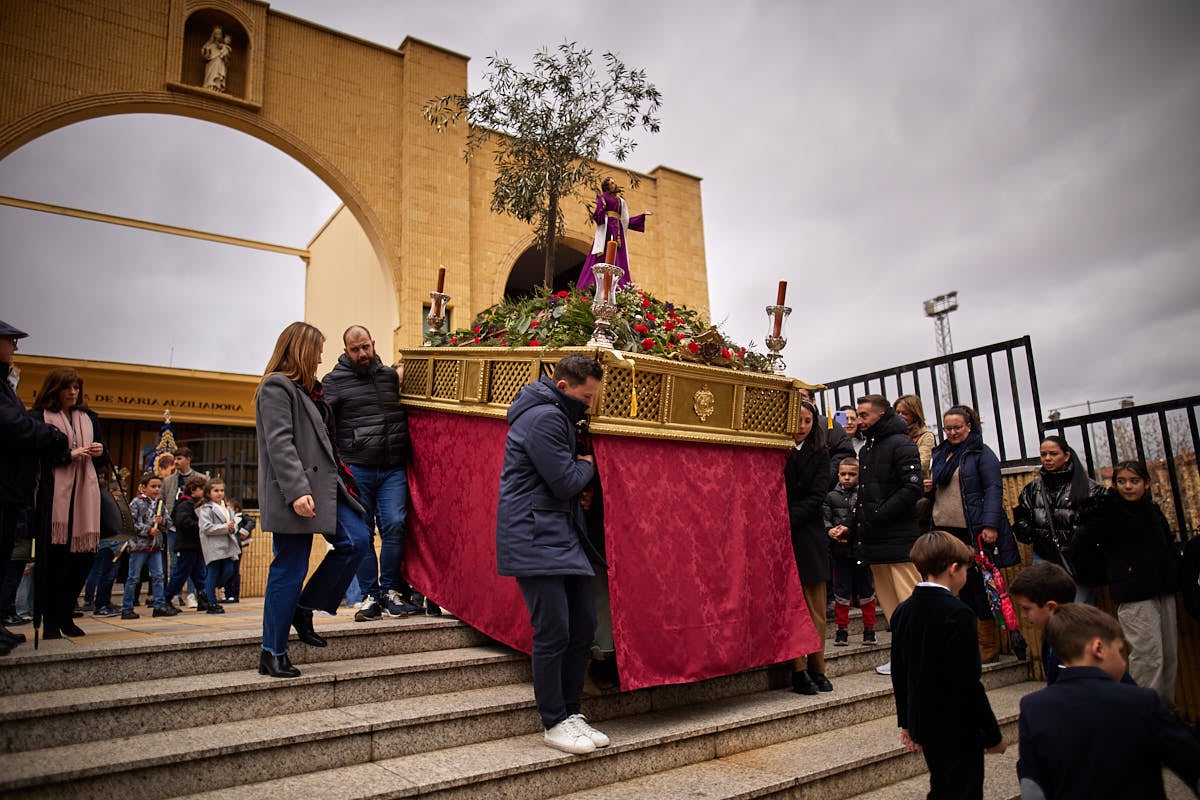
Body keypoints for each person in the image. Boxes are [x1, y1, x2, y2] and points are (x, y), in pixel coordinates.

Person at [495, 354, 610, 755]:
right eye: (586, 397)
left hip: (558, 534)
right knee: (554, 631)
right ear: (563, 388)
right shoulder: (544, 417)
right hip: (535, 534)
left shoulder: (556, 413)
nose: (589, 406)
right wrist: (589, 464)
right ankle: (553, 720)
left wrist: (578, 469)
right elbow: (564, 482)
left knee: (583, 624)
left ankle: (571, 712)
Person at [255, 321, 372, 678]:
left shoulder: (309, 392)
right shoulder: (277, 387)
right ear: (302, 351)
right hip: (298, 492)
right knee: (289, 566)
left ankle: (304, 607)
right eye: (318, 352)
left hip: (326, 488)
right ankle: (272, 651)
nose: (321, 359)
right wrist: (297, 491)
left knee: (357, 541)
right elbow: (280, 443)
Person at [1016, 603, 1200, 800]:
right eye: (1120, 651)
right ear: (1099, 648)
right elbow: (1192, 763)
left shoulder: (1033, 708)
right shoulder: (1142, 701)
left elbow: (1032, 786)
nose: (1123, 661)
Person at [891, 531, 1006, 800]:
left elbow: (900, 672)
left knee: (941, 785)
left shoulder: (903, 611)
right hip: (958, 726)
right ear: (954, 569)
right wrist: (991, 733)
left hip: (925, 722)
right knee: (964, 789)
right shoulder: (959, 614)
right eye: (966, 569)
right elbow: (967, 682)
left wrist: (906, 721)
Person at [321, 325, 421, 622]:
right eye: (356, 349)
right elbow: (323, 424)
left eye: (366, 346)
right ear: (346, 350)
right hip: (357, 468)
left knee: (395, 524)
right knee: (361, 534)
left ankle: (390, 591)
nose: (363, 354)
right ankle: (370, 595)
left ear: (373, 343)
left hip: (392, 467)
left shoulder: (389, 376)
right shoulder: (334, 381)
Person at [1077, 461, 1180, 705]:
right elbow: (1082, 544)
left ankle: (1165, 712)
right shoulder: (1109, 512)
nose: (1128, 487)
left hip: (1163, 587)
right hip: (1134, 593)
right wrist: (1111, 573)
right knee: (1147, 657)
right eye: (1121, 481)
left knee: (1169, 655)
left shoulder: (1152, 510)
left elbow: (1167, 544)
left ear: (1146, 483)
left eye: (1134, 481)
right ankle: (1144, 714)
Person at [929, 404, 1022, 662]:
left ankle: (987, 645)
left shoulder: (981, 453)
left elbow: (993, 489)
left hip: (973, 531)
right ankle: (965, 641)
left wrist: (990, 525)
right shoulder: (941, 454)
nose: (952, 432)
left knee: (979, 589)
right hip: (946, 531)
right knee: (957, 589)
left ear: (969, 426)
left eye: (957, 427)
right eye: (947, 428)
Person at [29, 367, 110, 639]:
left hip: (85, 501)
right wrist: (67, 455)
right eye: (68, 388)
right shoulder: (39, 417)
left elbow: (101, 459)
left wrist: (99, 451)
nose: (73, 392)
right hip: (55, 502)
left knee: (82, 560)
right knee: (54, 563)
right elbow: (34, 457)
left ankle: (66, 613)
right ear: (55, 389)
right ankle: (51, 619)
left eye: (76, 387)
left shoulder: (88, 417)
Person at [853, 394, 924, 676]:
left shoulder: (901, 443)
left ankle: (922, 658)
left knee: (911, 603)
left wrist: (878, 514)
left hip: (899, 540)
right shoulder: (867, 449)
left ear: (880, 416)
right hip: (875, 542)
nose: (859, 421)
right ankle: (903, 658)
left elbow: (912, 488)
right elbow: (868, 495)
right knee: (893, 609)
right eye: (857, 415)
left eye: (864, 415)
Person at [1012, 436, 1106, 604]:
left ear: (1067, 456)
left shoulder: (1090, 489)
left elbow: (1102, 526)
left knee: (1078, 615)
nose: (1047, 458)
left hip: (1079, 562)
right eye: (1043, 454)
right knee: (1049, 613)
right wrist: (1029, 530)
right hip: (1044, 557)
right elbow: (1022, 520)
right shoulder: (1033, 489)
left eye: (1053, 454)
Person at [784, 399, 835, 694]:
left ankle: (818, 667)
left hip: (809, 535)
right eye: (797, 420)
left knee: (815, 607)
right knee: (792, 605)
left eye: (807, 421)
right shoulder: (777, 450)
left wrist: (786, 517)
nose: (802, 427)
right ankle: (798, 669)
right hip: (782, 536)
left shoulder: (820, 453)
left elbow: (818, 496)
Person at [823, 457, 877, 647]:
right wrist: (831, 531)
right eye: (843, 474)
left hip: (862, 550)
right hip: (840, 551)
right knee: (841, 591)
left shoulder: (864, 495)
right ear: (838, 475)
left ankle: (869, 629)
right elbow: (825, 518)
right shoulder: (831, 497)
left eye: (852, 474)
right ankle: (841, 630)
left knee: (866, 590)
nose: (847, 478)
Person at [575, 177, 651, 291]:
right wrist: (602, 209)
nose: (614, 185)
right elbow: (597, 216)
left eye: (614, 182)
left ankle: (621, 285)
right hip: (607, 228)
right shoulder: (603, 197)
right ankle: (593, 284)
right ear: (606, 187)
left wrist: (642, 216)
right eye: (611, 183)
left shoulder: (621, 201)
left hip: (618, 230)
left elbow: (625, 220)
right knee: (604, 253)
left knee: (619, 256)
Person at [119, 473, 179, 619]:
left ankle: (158, 605)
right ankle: (127, 607)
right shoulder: (136, 503)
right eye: (153, 486)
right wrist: (147, 530)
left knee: (158, 576)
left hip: (156, 546)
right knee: (133, 577)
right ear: (143, 488)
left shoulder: (160, 504)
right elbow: (131, 523)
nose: (157, 489)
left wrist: (162, 521)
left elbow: (169, 523)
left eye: (159, 486)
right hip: (139, 546)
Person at [1009, 562, 1077, 686]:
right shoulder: (1050, 636)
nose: (1023, 615)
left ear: (1051, 607)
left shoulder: (1076, 644)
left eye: (1026, 608)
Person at [161, 447, 208, 607]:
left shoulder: (200, 478)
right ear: (193, 490)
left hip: (196, 539)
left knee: (198, 571)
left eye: (180, 458)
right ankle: (168, 598)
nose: (176, 461)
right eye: (175, 458)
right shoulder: (171, 484)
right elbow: (180, 517)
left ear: (188, 459)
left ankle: (197, 597)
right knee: (178, 568)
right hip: (179, 534)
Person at [197, 478, 239, 615]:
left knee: (228, 570)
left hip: (226, 546)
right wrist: (225, 527)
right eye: (216, 491)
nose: (219, 493)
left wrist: (233, 528)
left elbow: (234, 524)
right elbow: (206, 527)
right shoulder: (206, 509)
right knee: (213, 571)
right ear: (208, 493)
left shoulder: (226, 508)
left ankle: (206, 590)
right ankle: (211, 602)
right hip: (213, 545)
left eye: (221, 490)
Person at [894, 394, 935, 482]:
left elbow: (922, 464)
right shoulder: (891, 435)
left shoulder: (925, 436)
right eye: (897, 412)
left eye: (905, 413)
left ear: (915, 415)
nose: (900, 416)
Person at [201, 26, 229, 91]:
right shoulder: (209, 44)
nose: (218, 35)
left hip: (219, 63)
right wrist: (206, 51)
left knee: (218, 76)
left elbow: (227, 60)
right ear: (214, 34)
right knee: (211, 76)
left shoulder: (223, 46)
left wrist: (225, 53)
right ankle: (209, 86)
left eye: (219, 33)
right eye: (216, 33)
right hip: (212, 63)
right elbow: (205, 53)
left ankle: (217, 88)